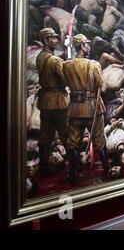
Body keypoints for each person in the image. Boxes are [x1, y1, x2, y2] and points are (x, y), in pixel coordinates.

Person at [62, 34, 110, 183]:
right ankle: (107, 170)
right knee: (99, 141)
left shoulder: (66, 65)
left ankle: (72, 174)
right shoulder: (94, 65)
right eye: (87, 44)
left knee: (73, 142)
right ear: (82, 46)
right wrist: (103, 85)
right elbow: (103, 87)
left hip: (75, 109)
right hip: (92, 108)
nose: (89, 47)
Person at [35, 28, 69, 177]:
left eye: (56, 38)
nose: (56, 40)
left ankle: (44, 168)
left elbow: (51, 65)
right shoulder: (55, 61)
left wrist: (63, 57)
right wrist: (67, 64)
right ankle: (74, 165)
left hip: (45, 101)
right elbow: (65, 79)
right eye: (53, 38)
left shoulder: (40, 56)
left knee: (45, 136)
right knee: (66, 134)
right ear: (46, 40)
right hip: (58, 101)